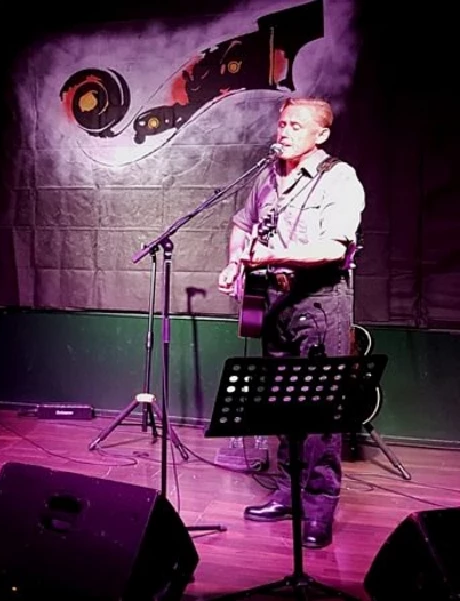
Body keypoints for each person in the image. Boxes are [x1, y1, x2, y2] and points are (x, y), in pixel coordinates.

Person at [217, 97, 365, 549]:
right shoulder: (264, 176)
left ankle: (319, 507)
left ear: (320, 135)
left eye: (295, 126)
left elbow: (333, 249)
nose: (283, 131)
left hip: (319, 300)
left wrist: (271, 255)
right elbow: (242, 224)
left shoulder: (340, 178)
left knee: (319, 411)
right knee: (281, 404)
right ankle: (289, 494)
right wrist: (235, 264)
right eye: (282, 123)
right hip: (275, 299)